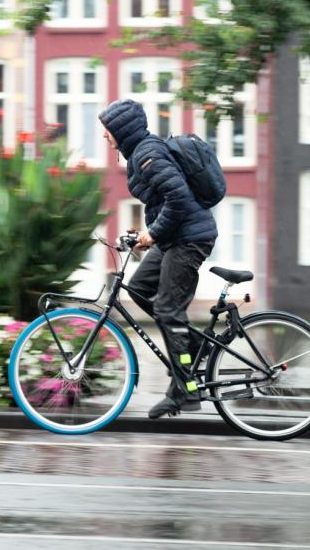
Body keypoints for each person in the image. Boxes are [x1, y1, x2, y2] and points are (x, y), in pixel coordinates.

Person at [98, 98, 217, 419]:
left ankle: (186, 390)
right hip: (175, 237)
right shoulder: (141, 153)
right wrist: (146, 235)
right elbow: (165, 201)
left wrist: (153, 234)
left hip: (190, 239)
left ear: (121, 131)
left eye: (107, 131)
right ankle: (192, 344)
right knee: (138, 288)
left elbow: (178, 199)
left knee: (167, 309)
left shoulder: (148, 154)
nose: (105, 137)